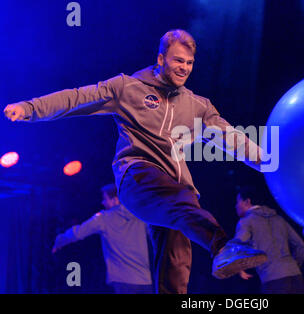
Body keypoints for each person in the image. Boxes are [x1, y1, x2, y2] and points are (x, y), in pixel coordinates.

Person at [4, 29, 267, 293]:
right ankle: (223, 247)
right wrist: (30, 108)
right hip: (138, 177)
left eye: (189, 63)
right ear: (161, 58)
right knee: (177, 196)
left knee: (176, 265)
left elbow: (232, 139)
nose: (184, 68)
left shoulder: (198, 106)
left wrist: (267, 162)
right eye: (178, 61)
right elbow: (77, 98)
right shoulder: (126, 87)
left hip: (177, 195)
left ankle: (219, 254)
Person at [52, 184, 154, 294]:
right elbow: (155, 237)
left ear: (115, 199)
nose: (103, 202)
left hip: (122, 279)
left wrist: (59, 241)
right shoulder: (140, 216)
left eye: (105, 199)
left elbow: (78, 232)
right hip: (146, 280)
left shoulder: (103, 218)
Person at [233, 186, 304, 294]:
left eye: (237, 201)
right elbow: (300, 245)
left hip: (273, 280)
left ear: (247, 201)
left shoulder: (246, 222)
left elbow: (238, 245)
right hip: (295, 276)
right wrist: (292, 266)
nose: (236, 206)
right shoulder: (278, 218)